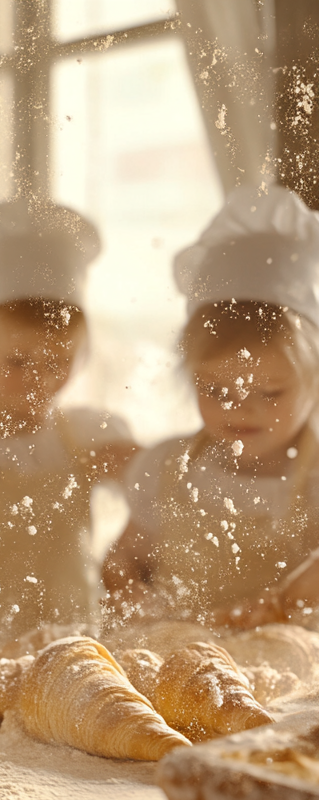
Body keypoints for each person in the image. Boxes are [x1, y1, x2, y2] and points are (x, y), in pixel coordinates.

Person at [0, 198, 135, 663]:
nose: (39, 379)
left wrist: (132, 469)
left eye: (58, 362)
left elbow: (161, 494)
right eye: (17, 362)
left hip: (69, 639)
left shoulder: (86, 434)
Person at [103, 183, 319, 629]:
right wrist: (127, 590)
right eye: (218, 392)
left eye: (269, 393)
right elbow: (123, 559)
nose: (240, 410)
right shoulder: (166, 469)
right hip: (178, 673)